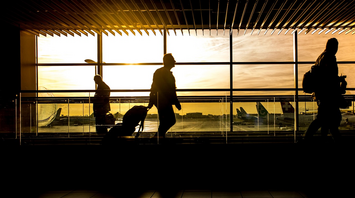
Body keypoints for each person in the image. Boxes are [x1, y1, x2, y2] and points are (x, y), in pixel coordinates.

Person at [304, 38, 346, 142]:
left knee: (325, 120)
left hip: (322, 95)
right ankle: (307, 138)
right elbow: (328, 78)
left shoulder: (321, 57)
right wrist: (338, 80)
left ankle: (311, 138)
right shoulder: (329, 57)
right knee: (328, 120)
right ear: (333, 47)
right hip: (328, 96)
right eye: (336, 46)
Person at [148, 54, 181, 138]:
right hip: (164, 101)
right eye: (173, 59)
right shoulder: (166, 73)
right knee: (170, 120)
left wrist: (151, 100)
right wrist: (176, 102)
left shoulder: (159, 72)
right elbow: (171, 90)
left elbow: (153, 87)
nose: (175, 61)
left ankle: (159, 137)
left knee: (165, 121)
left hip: (160, 100)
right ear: (169, 61)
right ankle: (158, 137)